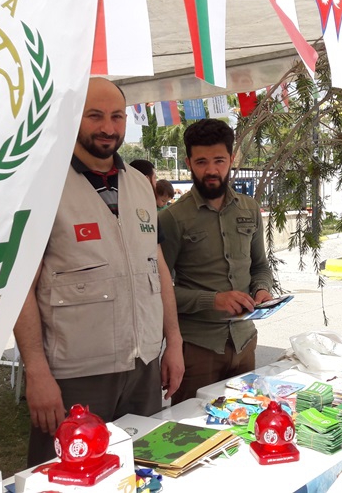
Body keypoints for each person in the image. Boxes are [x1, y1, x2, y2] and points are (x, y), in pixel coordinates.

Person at [14, 77, 184, 466]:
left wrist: (172, 341)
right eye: (95, 116)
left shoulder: (140, 185)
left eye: (116, 116)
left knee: (142, 469)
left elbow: (157, 270)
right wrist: (36, 372)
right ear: (73, 118)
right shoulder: (45, 186)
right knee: (67, 475)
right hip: (76, 373)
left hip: (142, 368)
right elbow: (20, 286)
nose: (108, 127)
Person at [158, 118, 275, 404]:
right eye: (201, 162)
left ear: (232, 159)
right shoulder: (172, 219)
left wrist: (261, 290)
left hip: (245, 342)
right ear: (188, 162)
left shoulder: (249, 208)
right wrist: (213, 300)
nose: (211, 170)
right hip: (198, 348)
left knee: (244, 423)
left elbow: (259, 266)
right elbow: (158, 289)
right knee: (194, 431)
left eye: (219, 160)